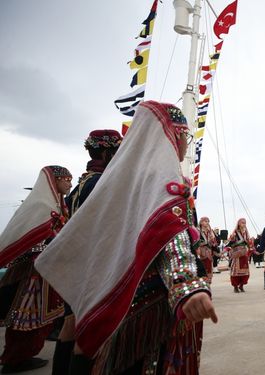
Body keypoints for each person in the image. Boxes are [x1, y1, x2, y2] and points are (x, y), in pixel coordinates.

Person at [35, 101, 217, 374]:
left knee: (87, 342)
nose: (186, 143)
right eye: (184, 135)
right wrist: (187, 286)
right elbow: (168, 237)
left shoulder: (119, 181)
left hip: (115, 283)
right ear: (172, 136)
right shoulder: (160, 184)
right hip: (147, 299)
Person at [51, 129, 122, 374]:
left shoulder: (80, 185)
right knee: (89, 330)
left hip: (76, 262)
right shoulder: (101, 184)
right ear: (107, 152)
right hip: (94, 265)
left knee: (70, 324)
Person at [0, 166, 72, 373]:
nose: (68, 183)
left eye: (70, 179)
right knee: (25, 318)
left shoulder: (57, 206)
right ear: (54, 181)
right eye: (65, 179)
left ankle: (21, 356)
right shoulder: (41, 206)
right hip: (31, 274)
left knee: (37, 319)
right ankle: (14, 359)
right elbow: (30, 242)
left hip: (43, 271)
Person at [227, 218, 251, 293]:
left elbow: (248, 242)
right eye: (242, 223)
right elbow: (230, 241)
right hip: (237, 253)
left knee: (245, 270)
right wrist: (232, 237)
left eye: (245, 223)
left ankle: (241, 285)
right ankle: (235, 286)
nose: (244, 224)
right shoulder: (235, 232)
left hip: (244, 253)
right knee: (235, 270)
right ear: (239, 224)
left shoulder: (246, 232)